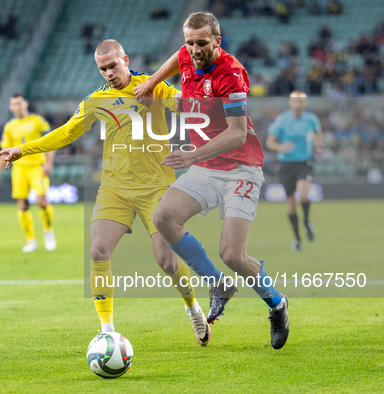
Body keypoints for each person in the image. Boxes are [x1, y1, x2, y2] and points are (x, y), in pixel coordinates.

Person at [0, 39, 212, 346]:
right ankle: (107, 332)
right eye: (102, 69)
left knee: (167, 261)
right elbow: (67, 132)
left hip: (155, 189)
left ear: (125, 58)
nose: (109, 73)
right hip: (115, 190)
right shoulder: (96, 100)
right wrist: (23, 150)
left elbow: (185, 104)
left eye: (112, 65)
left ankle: (192, 307)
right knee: (98, 251)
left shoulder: (153, 86)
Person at [133, 12, 289, 349]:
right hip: (207, 166)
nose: (194, 50)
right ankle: (217, 283)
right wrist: (153, 79)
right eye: (190, 42)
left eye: (201, 43)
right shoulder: (188, 55)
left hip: (240, 168)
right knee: (164, 218)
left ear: (217, 41)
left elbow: (235, 134)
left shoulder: (232, 74)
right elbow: (178, 57)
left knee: (233, 254)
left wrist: (190, 156)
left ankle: (276, 304)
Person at [0, 94, 57, 253]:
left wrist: (48, 163)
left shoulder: (37, 121)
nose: (17, 107)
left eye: (19, 103)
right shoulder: (9, 127)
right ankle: (31, 240)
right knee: (22, 205)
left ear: (25, 104)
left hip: (37, 167)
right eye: (13, 104)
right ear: (10, 107)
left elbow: (52, 142)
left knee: (41, 201)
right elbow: (5, 152)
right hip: (19, 169)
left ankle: (48, 231)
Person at [266, 91, 323, 251]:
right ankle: (297, 239)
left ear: (305, 103)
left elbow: (318, 133)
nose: (298, 105)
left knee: (303, 194)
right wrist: (281, 147)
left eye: (301, 102)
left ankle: (306, 223)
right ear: (290, 103)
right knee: (291, 206)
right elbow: (270, 142)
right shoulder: (282, 120)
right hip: (286, 165)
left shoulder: (312, 119)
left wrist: (318, 146)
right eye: (295, 102)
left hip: (304, 163)